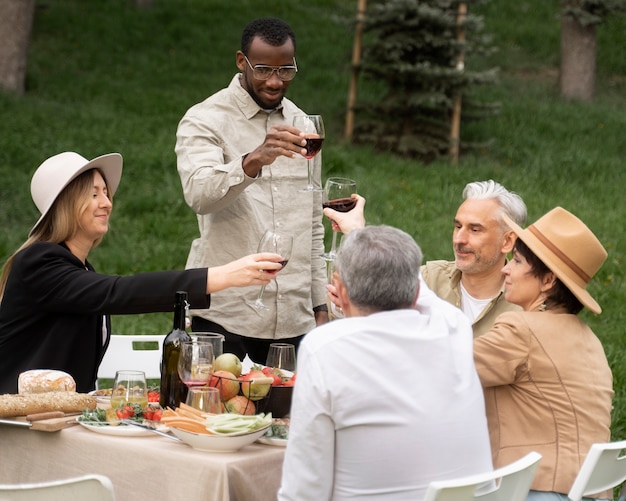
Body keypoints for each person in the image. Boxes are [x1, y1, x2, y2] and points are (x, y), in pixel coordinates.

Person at [0, 152, 283, 394]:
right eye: (93, 194)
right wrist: (221, 276)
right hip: (17, 424)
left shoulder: (78, 269)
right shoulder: (39, 262)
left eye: (106, 193)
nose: (107, 203)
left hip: (58, 418)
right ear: (65, 205)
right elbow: (119, 292)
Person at [278, 225, 493, 500]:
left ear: (340, 289)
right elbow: (423, 294)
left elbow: (304, 490)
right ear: (415, 291)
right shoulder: (454, 327)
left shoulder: (325, 348)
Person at [175, 17, 328, 363]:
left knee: (291, 419)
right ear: (241, 62)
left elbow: (313, 225)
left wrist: (320, 305)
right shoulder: (205, 119)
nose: (275, 81)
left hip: (295, 320)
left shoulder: (304, 126)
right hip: (226, 315)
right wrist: (252, 160)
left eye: (286, 70)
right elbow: (199, 194)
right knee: (224, 418)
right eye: (263, 70)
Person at [472, 207, 614, 500]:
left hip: (536, 491)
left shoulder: (521, 329)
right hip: (594, 491)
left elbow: (446, 367)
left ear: (548, 281)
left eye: (518, 261)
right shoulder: (590, 340)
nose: (505, 268)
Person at [420, 180, 528, 337]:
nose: (459, 239)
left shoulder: (526, 307)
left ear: (508, 241)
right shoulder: (427, 281)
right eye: (458, 227)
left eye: (475, 230)